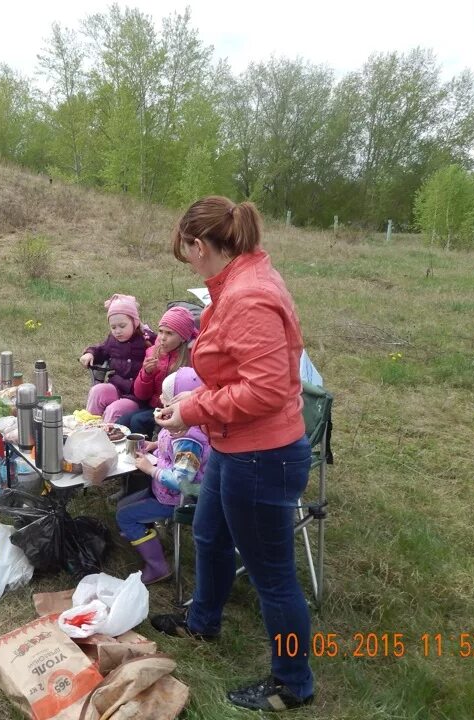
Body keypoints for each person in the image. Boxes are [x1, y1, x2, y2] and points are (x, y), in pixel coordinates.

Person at [149, 196, 315, 711]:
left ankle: (293, 683)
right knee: (210, 533)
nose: (186, 259)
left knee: (273, 577)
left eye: (186, 250)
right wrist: (195, 402)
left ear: (201, 246)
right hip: (232, 444)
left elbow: (266, 391)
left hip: (262, 456)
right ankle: (203, 624)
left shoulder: (249, 296)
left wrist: (194, 408)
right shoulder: (236, 281)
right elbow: (237, 372)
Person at [116, 367, 211, 584]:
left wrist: (151, 470)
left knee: (124, 516)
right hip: (163, 491)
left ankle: (158, 567)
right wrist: (154, 445)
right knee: (123, 506)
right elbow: (170, 448)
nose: (160, 399)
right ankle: (142, 536)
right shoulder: (179, 424)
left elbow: (182, 481)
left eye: (166, 397)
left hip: (178, 500)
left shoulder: (190, 440)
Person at [116, 306, 196, 438]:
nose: (162, 338)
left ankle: (147, 453)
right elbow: (141, 395)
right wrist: (146, 374)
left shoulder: (191, 358)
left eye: (169, 333)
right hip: (153, 407)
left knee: (138, 421)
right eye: (160, 331)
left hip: (176, 410)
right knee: (122, 423)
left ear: (183, 337)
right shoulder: (153, 352)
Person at [79, 293, 155, 423]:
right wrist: (90, 353)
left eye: (122, 326)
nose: (117, 331)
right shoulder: (113, 340)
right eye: (113, 327)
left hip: (137, 397)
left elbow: (165, 351)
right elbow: (102, 350)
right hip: (117, 386)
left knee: (115, 409)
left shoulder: (147, 340)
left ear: (135, 322)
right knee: (97, 390)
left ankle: (108, 437)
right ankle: (89, 425)